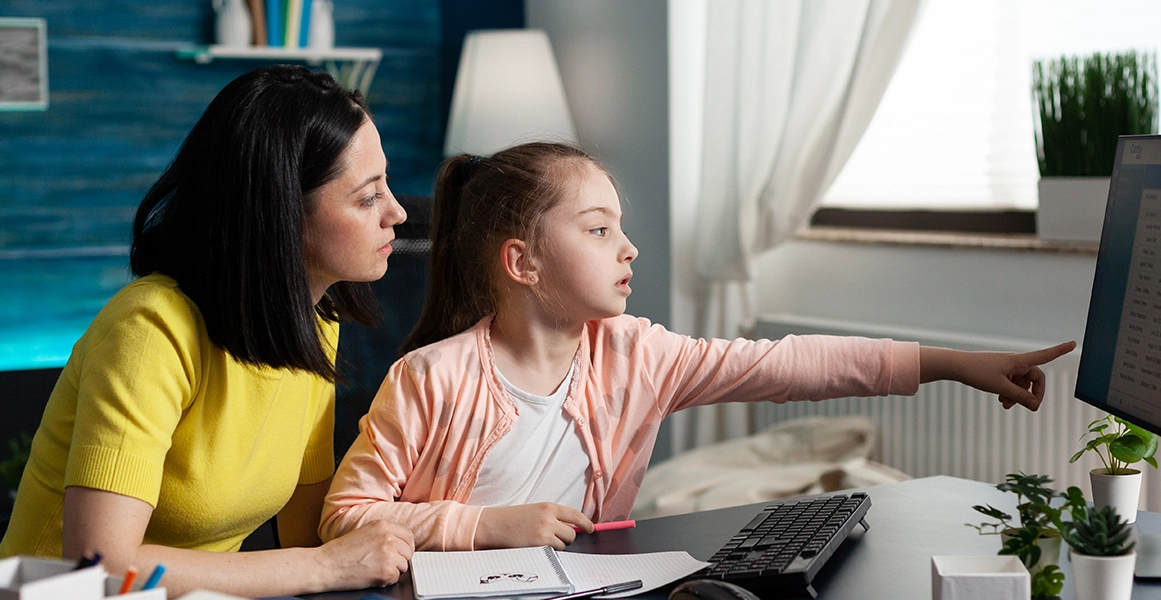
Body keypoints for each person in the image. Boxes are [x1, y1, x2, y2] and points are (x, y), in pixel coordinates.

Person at [318, 142, 1076, 553]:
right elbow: (344, 518)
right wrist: (483, 526)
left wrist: (948, 364)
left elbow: (786, 366)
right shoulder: (429, 379)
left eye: (619, 226)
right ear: (523, 263)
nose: (630, 249)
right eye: (598, 229)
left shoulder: (637, 354)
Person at [0, 66, 415, 596]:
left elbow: (308, 534)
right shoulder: (150, 331)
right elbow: (99, 567)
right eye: (367, 197)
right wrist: (329, 566)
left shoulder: (312, 321)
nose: (397, 212)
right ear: (282, 215)